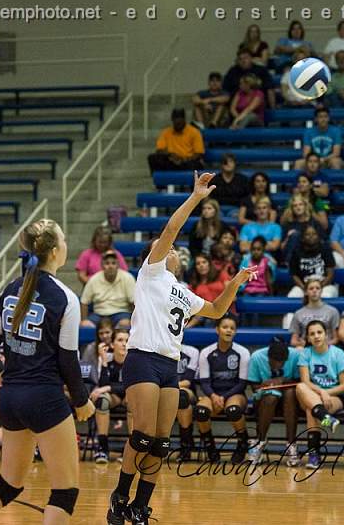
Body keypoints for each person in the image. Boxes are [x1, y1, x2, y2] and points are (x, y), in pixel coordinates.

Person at [106, 172, 256, 525]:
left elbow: (217, 310)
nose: (171, 248)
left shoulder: (183, 292)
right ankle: (119, 497)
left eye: (171, 248)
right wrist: (195, 197)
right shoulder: (152, 273)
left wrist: (234, 283)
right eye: (166, 246)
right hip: (143, 358)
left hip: (168, 365)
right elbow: (172, 229)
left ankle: (141, 507)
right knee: (141, 436)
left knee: (161, 442)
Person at [0, 217, 95, 525]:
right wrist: (81, 401)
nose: (66, 246)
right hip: (45, 398)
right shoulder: (65, 297)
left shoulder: (10, 289)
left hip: (9, 399)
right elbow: (68, 361)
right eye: (62, 241)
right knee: (65, 490)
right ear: (53, 251)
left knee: (9, 483)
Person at [196, 314, 251, 465]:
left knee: (233, 409)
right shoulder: (206, 352)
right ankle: (210, 446)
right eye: (225, 327)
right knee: (200, 411)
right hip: (213, 394)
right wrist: (214, 396)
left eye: (232, 328)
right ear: (217, 330)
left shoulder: (243, 352)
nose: (228, 330)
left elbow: (242, 384)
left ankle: (242, 443)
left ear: (235, 332)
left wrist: (223, 397)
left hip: (235, 393)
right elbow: (204, 382)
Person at [295, 320, 344, 469]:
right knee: (300, 386)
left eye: (319, 332)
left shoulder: (338, 353)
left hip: (334, 396)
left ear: (326, 334)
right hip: (311, 395)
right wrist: (321, 392)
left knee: (311, 410)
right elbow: (305, 382)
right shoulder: (305, 353)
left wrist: (326, 392)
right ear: (308, 338)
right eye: (312, 334)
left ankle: (314, 454)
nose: (316, 336)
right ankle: (326, 419)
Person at [245, 336, 301, 466]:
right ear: (268, 357)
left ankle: (291, 445)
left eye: (282, 363)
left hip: (289, 401)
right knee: (271, 397)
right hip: (264, 400)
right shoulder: (257, 357)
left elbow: (300, 382)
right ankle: (259, 442)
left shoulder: (295, 355)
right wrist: (264, 385)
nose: (278, 366)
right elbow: (253, 386)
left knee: (291, 393)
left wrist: (282, 381)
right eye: (274, 362)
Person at [91, 328, 131, 464]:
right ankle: (102, 448)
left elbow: (130, 385)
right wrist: (103, 361)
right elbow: (102, 383)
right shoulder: (106, 358)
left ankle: (132, 450)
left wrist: (107, 388)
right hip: (113, 397)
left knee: (134, 400)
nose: (124, 344)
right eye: (120, 340)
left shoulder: (134, 360)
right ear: (112, 344)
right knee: (102, 401)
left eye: (127, 341)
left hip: (129, 396)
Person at [80, 250, 135, 328]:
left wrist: (135, 320)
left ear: (118, 265)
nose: (110, 266)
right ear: (102, 265)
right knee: (85, 325)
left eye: (113, 263)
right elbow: (84, 302)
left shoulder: (128, 278)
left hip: (121, 313)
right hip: (99, 314)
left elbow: (134, 302)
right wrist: (83, 320)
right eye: (107, 263)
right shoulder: (94, 279)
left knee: (125, 324)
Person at [147, 108, 205, 172]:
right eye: (176, 121)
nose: (178, 123)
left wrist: (184, 160)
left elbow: (199, 153)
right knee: (152, 158)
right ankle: (160, 179)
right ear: (172, 120)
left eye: (180, 121)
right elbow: (159, 150)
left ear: (184, 120)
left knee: (196, 164)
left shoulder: (194, 132)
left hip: (187, 161)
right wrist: (171, 155)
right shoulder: (166, 132)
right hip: (171, 160)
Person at [289, 278, 340, 348]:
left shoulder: (332, 311)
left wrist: (322, 345)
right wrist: (301, 344)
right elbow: (293, 341)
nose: (314, 290)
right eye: (311, 288)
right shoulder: (298, 313)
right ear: (306, 292)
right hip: (306, 347)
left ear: (321, 291)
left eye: (317, 288)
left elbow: (336, 339)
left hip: (327, 347)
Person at [288, 226, 337, 298]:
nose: (311, 236)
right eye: (307, 234)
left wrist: (318, 287)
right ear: (302, 238)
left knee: (326, 296)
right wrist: (305, 288)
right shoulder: (296, 252)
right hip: (303, 286)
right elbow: (294, 275)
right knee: (293, 296)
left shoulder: (325, 249)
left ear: (318, 236)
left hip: (325, 285)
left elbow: (330, 274)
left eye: (314, 234)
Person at [279, 194, 326, 264]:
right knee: (295, 235)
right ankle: (289, 264)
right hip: (292, 257)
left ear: (305, 206)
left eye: (300, 204)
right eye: (295, 206)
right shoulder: (288, 224)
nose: (298, 207)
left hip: (311, 254)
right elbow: (282, 248)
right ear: (292, 209)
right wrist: (288, 238)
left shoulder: (314, 222)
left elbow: (323, 241)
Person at [188, 254, 231, 328]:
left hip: (225, 312)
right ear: (195, 267)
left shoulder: (222, 275)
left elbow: (232, 296)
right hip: (203, 316)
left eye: (204, 262)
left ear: (209, 264)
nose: (201, 265)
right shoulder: (193, 285)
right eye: (198, 264)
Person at [174, 342, 200, 462]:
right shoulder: (159, 349)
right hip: (163, 390)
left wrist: (169, 386)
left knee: (181, 396)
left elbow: (188, 381)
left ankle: (185, 446)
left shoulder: (192, 351)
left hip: (187, 391)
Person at [293, 166, 330, 230]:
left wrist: (310, 210)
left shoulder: (317, 201)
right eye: (299, 182)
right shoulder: (293, 201)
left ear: (310, 185)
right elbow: (283, 223)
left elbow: (325, 225)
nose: (301, 184)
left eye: (304, 182)